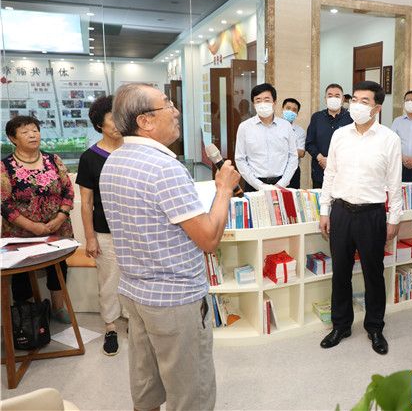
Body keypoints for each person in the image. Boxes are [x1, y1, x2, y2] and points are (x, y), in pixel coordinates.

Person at [100, 83, 241, 410]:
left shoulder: (114, 160)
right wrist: (223, 189)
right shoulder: (165, 168)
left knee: (146, 380)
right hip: (174, 301)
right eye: (167, 105)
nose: (176, 111)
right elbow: (208, 240)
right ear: (145, 121)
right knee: (190, 391)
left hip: (134, 293)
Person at [319, 81, 401, 355]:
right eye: (354, 99)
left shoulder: (389, 138)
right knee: (340, 272)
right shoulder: (340, 135)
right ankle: (341, 325)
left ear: (377, 108)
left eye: (364, 101)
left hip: (372, 215)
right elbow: (330, 174)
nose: (356, 105)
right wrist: (324, 210)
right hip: (341, 212)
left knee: (373, 273)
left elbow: (394, 181)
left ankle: (375, 327)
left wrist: (394, 218)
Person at [1, 116, 74, 324]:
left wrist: (60, 217)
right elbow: (4, 203)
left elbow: (68, 190)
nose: (32, 135)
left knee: (58, 267)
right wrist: (32, 226)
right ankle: (27, 315)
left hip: (57, 228)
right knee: (21, 273)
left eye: (35, 130)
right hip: (21, 233)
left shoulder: (53, 160)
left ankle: (58, 307)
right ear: (13, 138)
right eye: (25, 132)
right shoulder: (5, 166)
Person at [76, 95, 124, 356]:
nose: (118, 123)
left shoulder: (134, 150)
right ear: (99, 125)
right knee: (109, 280)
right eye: (112, 119)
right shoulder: (89, 158)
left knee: (137, 278)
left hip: (137, 229)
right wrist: (90, 238)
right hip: (105, 230)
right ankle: (111, 326)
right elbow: (86, 203)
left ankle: (136, 321)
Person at [235, 83, 298, 192]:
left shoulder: (286, 126)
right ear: (253, 104)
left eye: (267, 100)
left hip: (281, 183)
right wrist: (259, 185)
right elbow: (240, 159)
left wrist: (282, 183)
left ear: (274, 102)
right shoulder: (244, 127)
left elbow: (293, 156)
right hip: (254, 185)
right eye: (258, 100)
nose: (262, 104)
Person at [305, 84, 353, 188]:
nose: (333, 98)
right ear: (325, 99)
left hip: (343, 173)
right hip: (320, 172)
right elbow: (309, 143)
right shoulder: (317, 117)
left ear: (342, 99)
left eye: (337, 96)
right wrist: (320, 158)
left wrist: (334, 162)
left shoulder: (350, 118)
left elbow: (354, 145)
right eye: (330, 96)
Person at [282, 98, 306, 189]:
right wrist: (292, 150)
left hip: (293, 170)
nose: (291, 111)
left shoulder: (300, 131)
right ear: (282, 109)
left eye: (294, 110)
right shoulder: (273, 127)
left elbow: (301, 153)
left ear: (297, 114)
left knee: (293, 195)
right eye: (288, 108)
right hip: (275, 170)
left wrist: (281, 149)